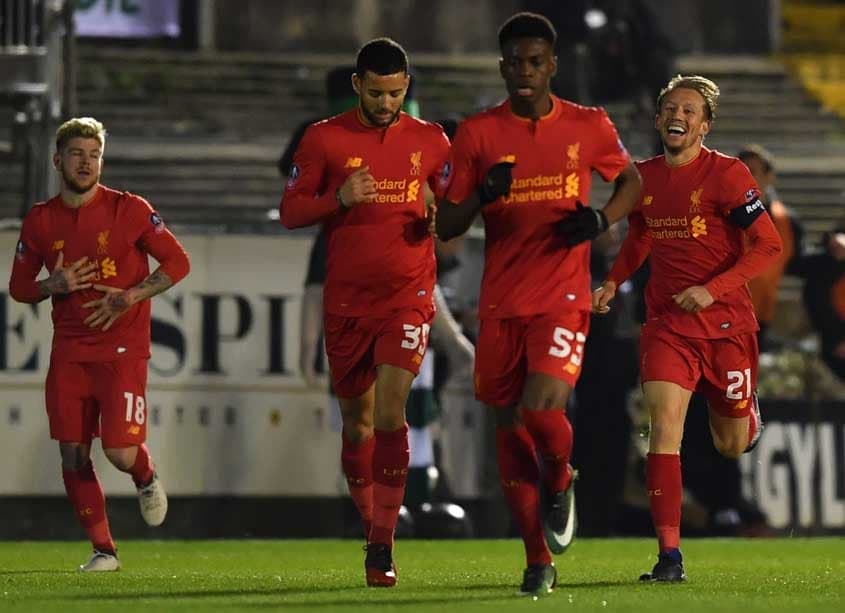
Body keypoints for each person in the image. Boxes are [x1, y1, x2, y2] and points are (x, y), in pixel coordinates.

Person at [435, 12, 642, 595]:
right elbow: (444, 222)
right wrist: (480, 196)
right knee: (508, 426)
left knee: (539, 412)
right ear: (502, 66)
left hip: (562, 294)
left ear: (552, 65)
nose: (523, 72)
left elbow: (632, 181)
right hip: (502, 300)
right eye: (513, 63)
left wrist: (602, 218)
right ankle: (536, 560)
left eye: (534, 62)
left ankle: (559, 479)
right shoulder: (477, 134)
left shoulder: (588, 124)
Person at [592, 75, 783, 582]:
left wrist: (713, 289)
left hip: (726, 326)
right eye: (670, 108)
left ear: (705, 125)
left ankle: (747, 415)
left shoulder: (728, 174)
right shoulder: (642, 177)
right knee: (664, 430)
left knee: (730, 443)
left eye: (690, 110)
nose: (678, 116)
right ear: (658, 120)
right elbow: (639, 237)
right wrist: (612, 282)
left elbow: (768, 245)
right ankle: (669, 557)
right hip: (668, 325)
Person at [280, 38, 450, 587]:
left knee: (390, 411)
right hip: (347, 300)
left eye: (396, 93)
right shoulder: (323, 139)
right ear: (357, 86)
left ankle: (382, 545)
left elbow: (451, 204)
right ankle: (370, 522)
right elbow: (290, 211)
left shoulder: (431, 141)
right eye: (376, 93)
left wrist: (437, 214)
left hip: (408, 295)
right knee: (356, 425)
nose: (386, 103)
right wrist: (339, 200)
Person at [8, 117, 191, 571]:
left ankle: (145, 476)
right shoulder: (40, 220)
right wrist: (56, 283)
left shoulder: (128, 210)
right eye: (77, 154)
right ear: (58, 161)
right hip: (70, 351)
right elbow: (19, 287)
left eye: (94, 155)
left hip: (122, 348)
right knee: (72, 452)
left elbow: (178, 261)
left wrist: (131, 296)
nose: (87, 163)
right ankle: (104, 549)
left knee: (119, 452)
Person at [737, 144, 803, 351]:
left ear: (769, 177)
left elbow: (799, 263)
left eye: (753, 172)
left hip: (761, 314)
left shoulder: (788, 222)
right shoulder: (715, 217)